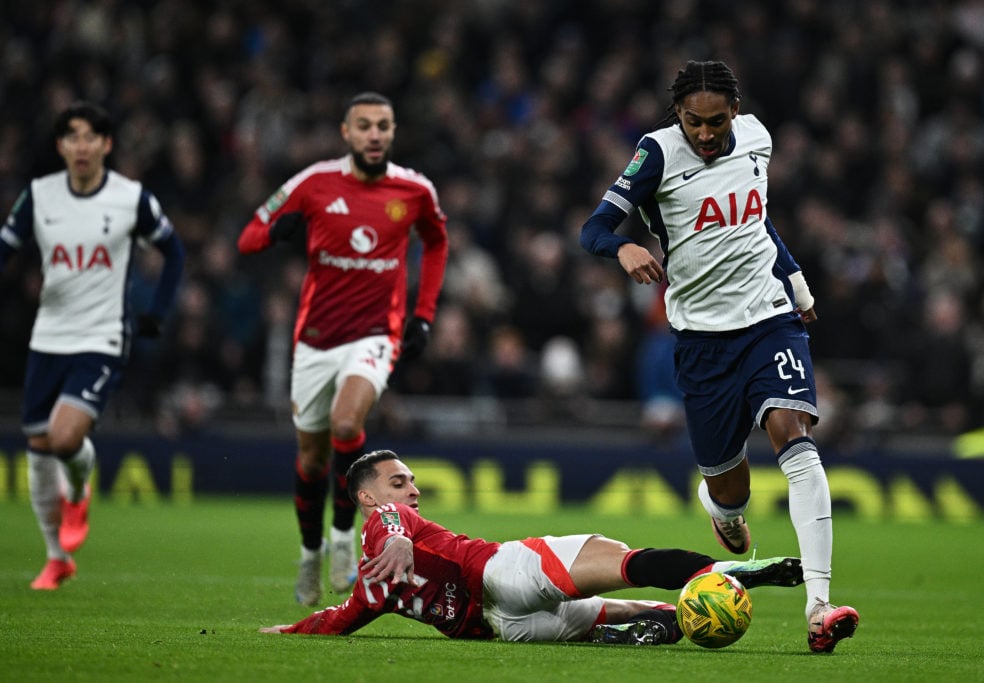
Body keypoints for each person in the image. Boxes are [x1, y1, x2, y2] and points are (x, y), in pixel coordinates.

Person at [578, 60, 859, 653]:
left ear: (735, 111)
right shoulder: (655, 153)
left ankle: (819, 605)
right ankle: (723, 511)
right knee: (730, 488)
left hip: (768, 323)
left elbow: (757, 222)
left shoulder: (758, 138)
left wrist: (798, 284)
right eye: (692, 122)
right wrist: (624, 246)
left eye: (715, 121)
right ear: (677, 114)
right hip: (703, 343)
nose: (704, 134)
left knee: (796, 438)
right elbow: (594, 227)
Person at [237, 92, 448, 606]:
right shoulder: (312, 183)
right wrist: (277, 232)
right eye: (365, 126)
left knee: (347, 424)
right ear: (346, 133)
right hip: (315, 341)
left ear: (392, 133)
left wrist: (423, 314)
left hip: (377, 333)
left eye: (383, 125)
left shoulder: (414, 189)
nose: (374, 134)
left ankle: (339, 536)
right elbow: (248, 237)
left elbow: (437, 242)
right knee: (310, 459)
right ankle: (310, 552)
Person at [260, 449, 804, 644]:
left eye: (410, 481)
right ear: (366, 494)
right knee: (621, 560)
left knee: (629, 610)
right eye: (399, 481)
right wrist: (397, 533)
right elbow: (388, 525)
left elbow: (340, 618)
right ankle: (736, 569)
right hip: (501, 573)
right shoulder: (388, 520)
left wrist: (289, 630)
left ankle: (644, 625)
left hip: (505, 630)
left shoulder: (373, 585)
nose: (412, 489)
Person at [0, 101, 185, 590]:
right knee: (38, 447)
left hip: (102, 337)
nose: (81, 146)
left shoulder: (130, 198)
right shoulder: (39, 196)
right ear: (60, 146)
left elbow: (174, 250)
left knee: (63, 439)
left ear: (106, 144)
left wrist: (158, 313)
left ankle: (80, 488)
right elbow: (5, 249)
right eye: (72, 137)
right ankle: (56, 556)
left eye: (91, 137)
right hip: (48, 337)